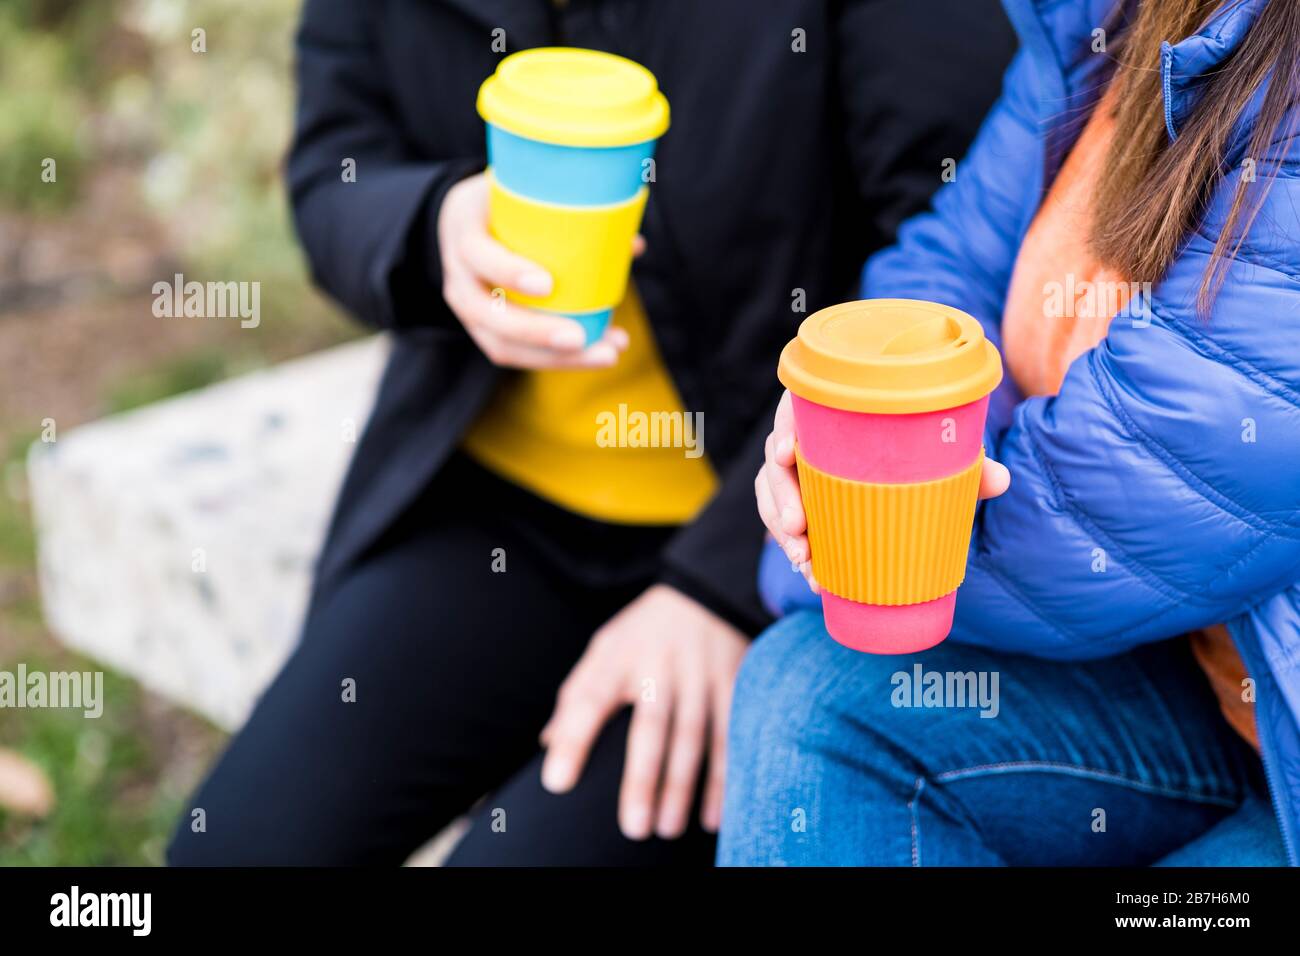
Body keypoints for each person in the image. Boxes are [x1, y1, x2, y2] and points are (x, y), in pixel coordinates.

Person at [166, 0, 1014, 865]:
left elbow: (958, 252)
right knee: (234, 848)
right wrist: (433, 225)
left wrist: (723, 587)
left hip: (786, 527)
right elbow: (331, 170)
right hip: (495, 507)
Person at [729, 0, 1300, 866]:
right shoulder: (1110, 17)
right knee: (808, 695)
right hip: (1187, 680)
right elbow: (950, 273)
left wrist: (845, 537)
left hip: (1271, 733)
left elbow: (1131, 498)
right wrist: (848, 429)